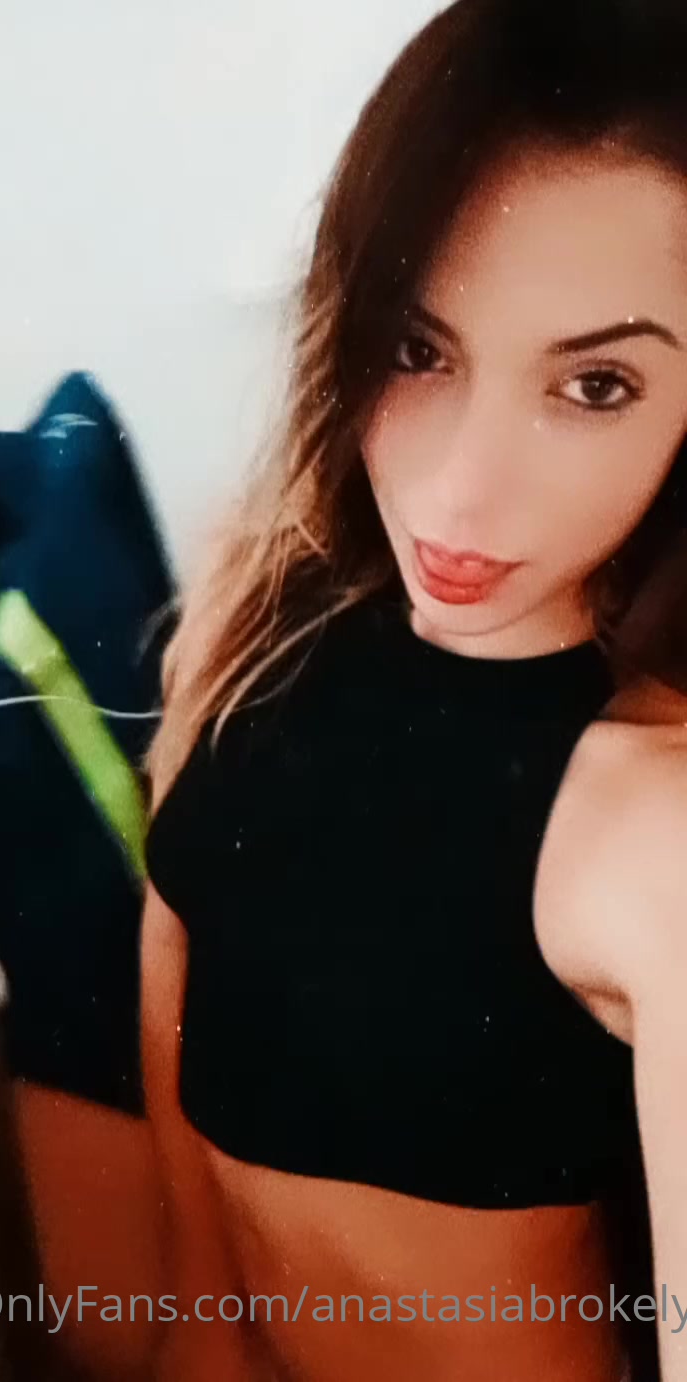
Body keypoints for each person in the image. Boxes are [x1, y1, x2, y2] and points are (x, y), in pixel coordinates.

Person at [138, 0, 687, 1376]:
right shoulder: (261, 598)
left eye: (597, 385)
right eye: (418, 348)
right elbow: (179, 973)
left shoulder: (657, 831)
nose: (459, 491)